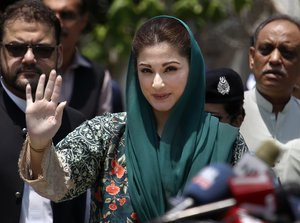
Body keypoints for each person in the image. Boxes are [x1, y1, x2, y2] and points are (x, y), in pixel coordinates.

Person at [19, 15, 248, 223]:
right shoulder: (107, 133)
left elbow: (254, 210)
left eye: (170, 69)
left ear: (193, 69)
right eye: (146, 70)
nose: (157, 83)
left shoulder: (225, 141)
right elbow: (56, 186)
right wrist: (39, 145)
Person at [0, 1, 87, 222]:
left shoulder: (78, 126)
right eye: (16, 48)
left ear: (59, 54)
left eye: (42, 50)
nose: (29, 57)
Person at [240, 14, 300, 183]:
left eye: (287, 53)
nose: (274, 59)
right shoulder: (223, 117)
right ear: (252, 58)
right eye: (266, 49)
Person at [41, 0, 123, 117]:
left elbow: (106, 132)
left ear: (83, 21)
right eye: (48, 14)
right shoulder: (25, 69)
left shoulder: (98, 77)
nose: (57, 22)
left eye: (67, 15)